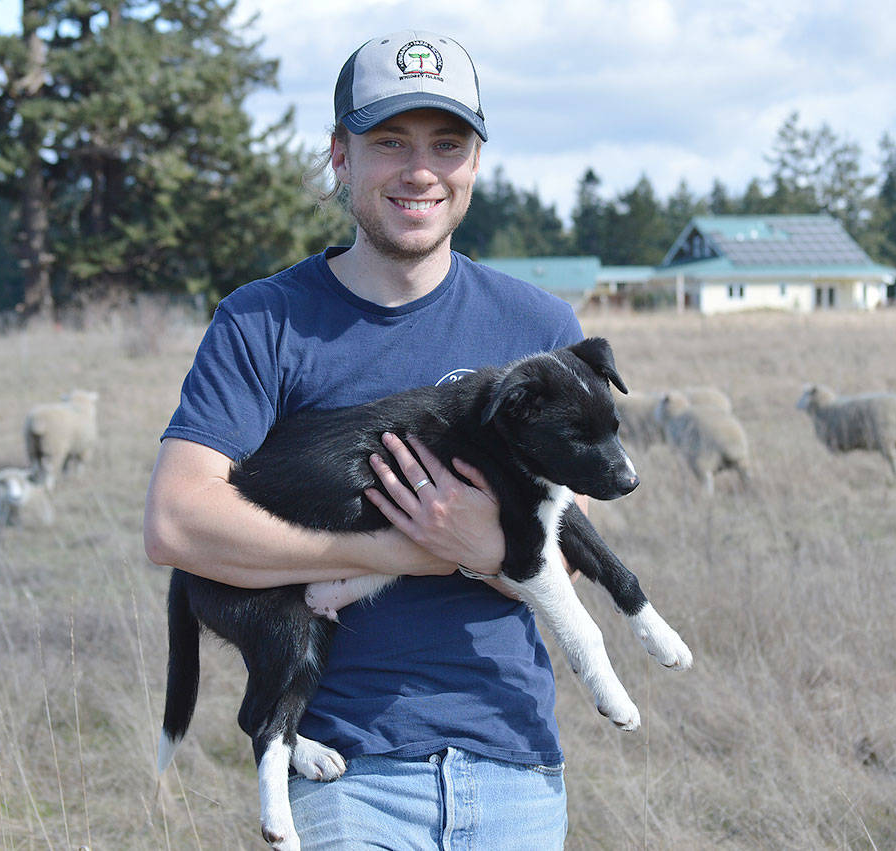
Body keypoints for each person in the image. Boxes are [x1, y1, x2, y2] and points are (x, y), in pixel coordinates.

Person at [143, 29, 587, 848]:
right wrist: (400, 549)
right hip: (349, 776)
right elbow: (176, 522)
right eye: (389, 142)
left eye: (446, 143)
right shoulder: (263, 321)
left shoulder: (541, 331)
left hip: (516, 766)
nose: (420, 170)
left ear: (475, 164)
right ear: (341, 155)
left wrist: (483, 541)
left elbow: (562, 565)